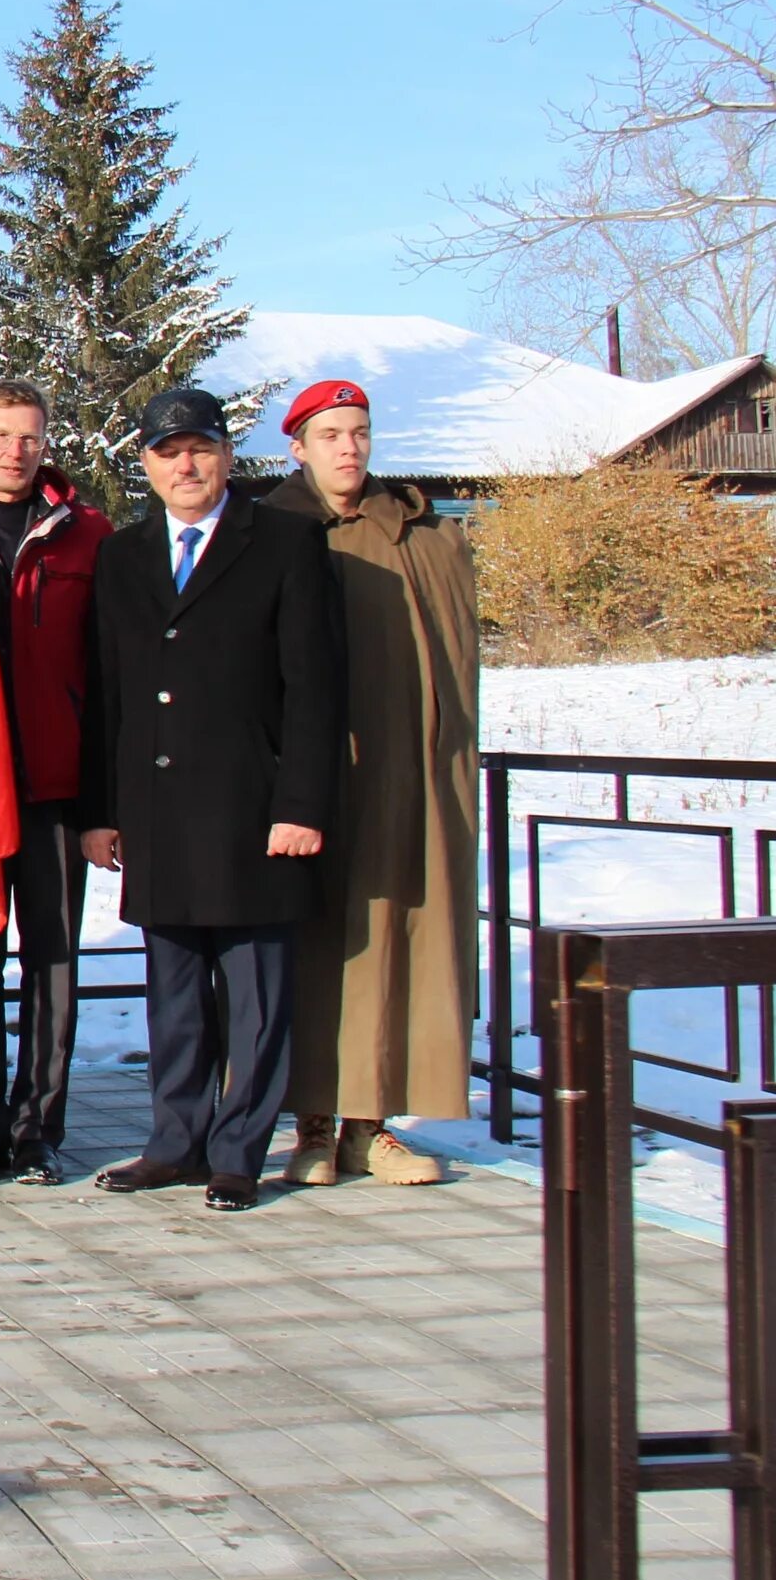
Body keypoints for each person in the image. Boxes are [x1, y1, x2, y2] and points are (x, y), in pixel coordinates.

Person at [81, 386, 343, 1213]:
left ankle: (238, 1151)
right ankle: (175, 1142)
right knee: (176, 993)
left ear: (228, 456)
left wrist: (302, 805)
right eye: (167, 452)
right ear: (147, 465)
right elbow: (108, 692)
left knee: (256, 995)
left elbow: (315, 691)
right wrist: (100, 809)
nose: (185, 465)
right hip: (157, 811)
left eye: (199, 448)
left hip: (252, 807)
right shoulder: (122, 557)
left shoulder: (287, 543)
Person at [264, 378, 476, 1190]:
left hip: (402, 771)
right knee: (318, 941)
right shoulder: (275, 531)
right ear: (299, 448)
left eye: (359, 432)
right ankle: (312, 1119)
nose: (348, 448)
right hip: (304, 778)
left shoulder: (417, 534)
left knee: (392, 935)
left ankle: (371, 1122)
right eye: (330, 435)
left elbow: (452, 660)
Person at [0, 382, 113, 1189]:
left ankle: (38, 1127)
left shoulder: (89, 539)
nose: (15, 449)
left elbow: (111, 679)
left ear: (46, 443)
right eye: (0, 434)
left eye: (30, 436)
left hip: (53, 784)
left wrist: (101, 807)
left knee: (53, 958)